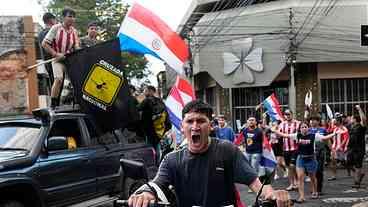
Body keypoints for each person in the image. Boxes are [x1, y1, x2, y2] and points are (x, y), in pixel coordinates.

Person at [128, 100, 291, 207]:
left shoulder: (227, 150)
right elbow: (156, 184)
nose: (195, 126)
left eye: (200, 121)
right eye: (190, 121)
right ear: (182, 126)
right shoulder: (172, 159)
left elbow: (256, 185)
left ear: (211, 126)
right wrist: (144, 193)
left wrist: (273, 194)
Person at [272, 121, 339, 202]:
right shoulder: (297, 135)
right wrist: (275, 131)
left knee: (312, 177)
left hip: (311, 159)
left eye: (305, 127)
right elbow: (285, 135)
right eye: (302, 127)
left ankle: (315, 191)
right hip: (301, 159)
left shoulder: (313, 136)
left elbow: (325, 138)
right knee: (300, 178)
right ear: (300, 129)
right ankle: (302, 197)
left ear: (308, 128)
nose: (304, 128)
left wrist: (334, 134)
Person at [42, 7, 80, 108]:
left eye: (74, 17)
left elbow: (76, 47)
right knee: (58, 79)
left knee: (77, 80)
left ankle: (76, 104)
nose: (72, 19)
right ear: (63, 17)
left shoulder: (74, 32)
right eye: (70, 16)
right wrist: (55, 54)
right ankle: (53, 105)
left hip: (69, 60)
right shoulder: (56, 28)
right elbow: (44, 44)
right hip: (57, 60)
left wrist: (77, 52)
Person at [139, 86, 171, 161]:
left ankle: (152, 163)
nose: (144, 92)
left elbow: (137, 109)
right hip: (159, 129)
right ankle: (158, 162)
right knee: (157, 146)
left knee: (150, 148)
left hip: (149, 129)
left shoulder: (146, 101)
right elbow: (166, 114)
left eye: (145, 90)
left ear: (151, 91)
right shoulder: (160, 101)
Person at [278, 109, 300, 191]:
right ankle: (292, 183)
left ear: (292, 114)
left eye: (289, 114)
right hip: (286, 148)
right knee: (288, 167)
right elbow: (279, 136)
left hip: (295, 148)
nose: (287, 115)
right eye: (286, 114)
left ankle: (297, 182)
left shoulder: (297, 123)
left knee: (293, 165)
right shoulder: (282, 124)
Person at [346, 105, 366, 188]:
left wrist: (359, 109)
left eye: (351, 118)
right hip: (351, 148)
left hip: (359, 149)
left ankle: (357, 182)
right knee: (348, 164)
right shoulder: (351, 127)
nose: (350, 119)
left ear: (355, 119)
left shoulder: (361, 126)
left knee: (358, 165)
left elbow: (364, 119)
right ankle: (360, 174)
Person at [308, 116, 327, 196]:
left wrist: (332, 150)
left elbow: (327, 140)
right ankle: (313, 187)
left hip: (321, 153)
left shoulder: (323, 130)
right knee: (311, 171)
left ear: (318, 121)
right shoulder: (308, 130)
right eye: (311, 120)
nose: (312, 122)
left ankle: (319, 189)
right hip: (310, 153)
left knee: (319, 171)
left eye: (314, 120)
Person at [38, 12, 57, 89]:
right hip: (55, 61)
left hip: (47, 62)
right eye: (55, 20)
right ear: (52, 20)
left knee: (53, 84)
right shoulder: (51, 32)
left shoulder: (40, 33)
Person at [328, 113, 349, 181]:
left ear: (339, 121)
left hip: (341, 149)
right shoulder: (335, 128)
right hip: (334, 148)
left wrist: (342, 146)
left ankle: (351, 171)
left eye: (335, 121)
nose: (334, 122)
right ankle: (334, 175)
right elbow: (329, 132)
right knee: (333, 161)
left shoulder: (344, 128)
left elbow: (346, 138)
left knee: (345, 162)